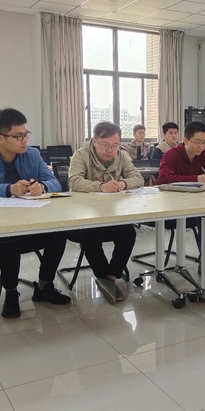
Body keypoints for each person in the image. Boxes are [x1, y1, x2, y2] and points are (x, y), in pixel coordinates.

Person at [0, 108, 71, 317]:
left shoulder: (32, 155)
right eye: (18, 136)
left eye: (26, 134)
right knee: (10, 237)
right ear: (0, 138)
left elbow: (55, 182)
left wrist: (42, 186)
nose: (24, 140)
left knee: (59, 232)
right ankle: (11, 292)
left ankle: (44, 286)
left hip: (30, 222)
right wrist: (9, 189)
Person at [68, 121, 144, 304]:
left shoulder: (121, 156)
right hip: (84, 217)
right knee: (90, 234)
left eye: (115, 145)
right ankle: (103, 277)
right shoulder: (81, 154)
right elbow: (74, 182)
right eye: (105, 145)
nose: (110, 150)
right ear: (94, 141)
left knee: (128, 233)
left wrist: (123, 183)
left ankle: (111, 277)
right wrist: (100, 186)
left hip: (111, 216)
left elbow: (138, 178)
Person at [157, 121, 205, 279]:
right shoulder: (171, 155)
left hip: (196, 205)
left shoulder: (204, 155)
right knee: (204, 214)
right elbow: (163, 179)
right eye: (197, 142)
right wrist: (196, 178)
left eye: (204, 142)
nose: (201, 146)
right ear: (185, 140)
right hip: (172, 207)